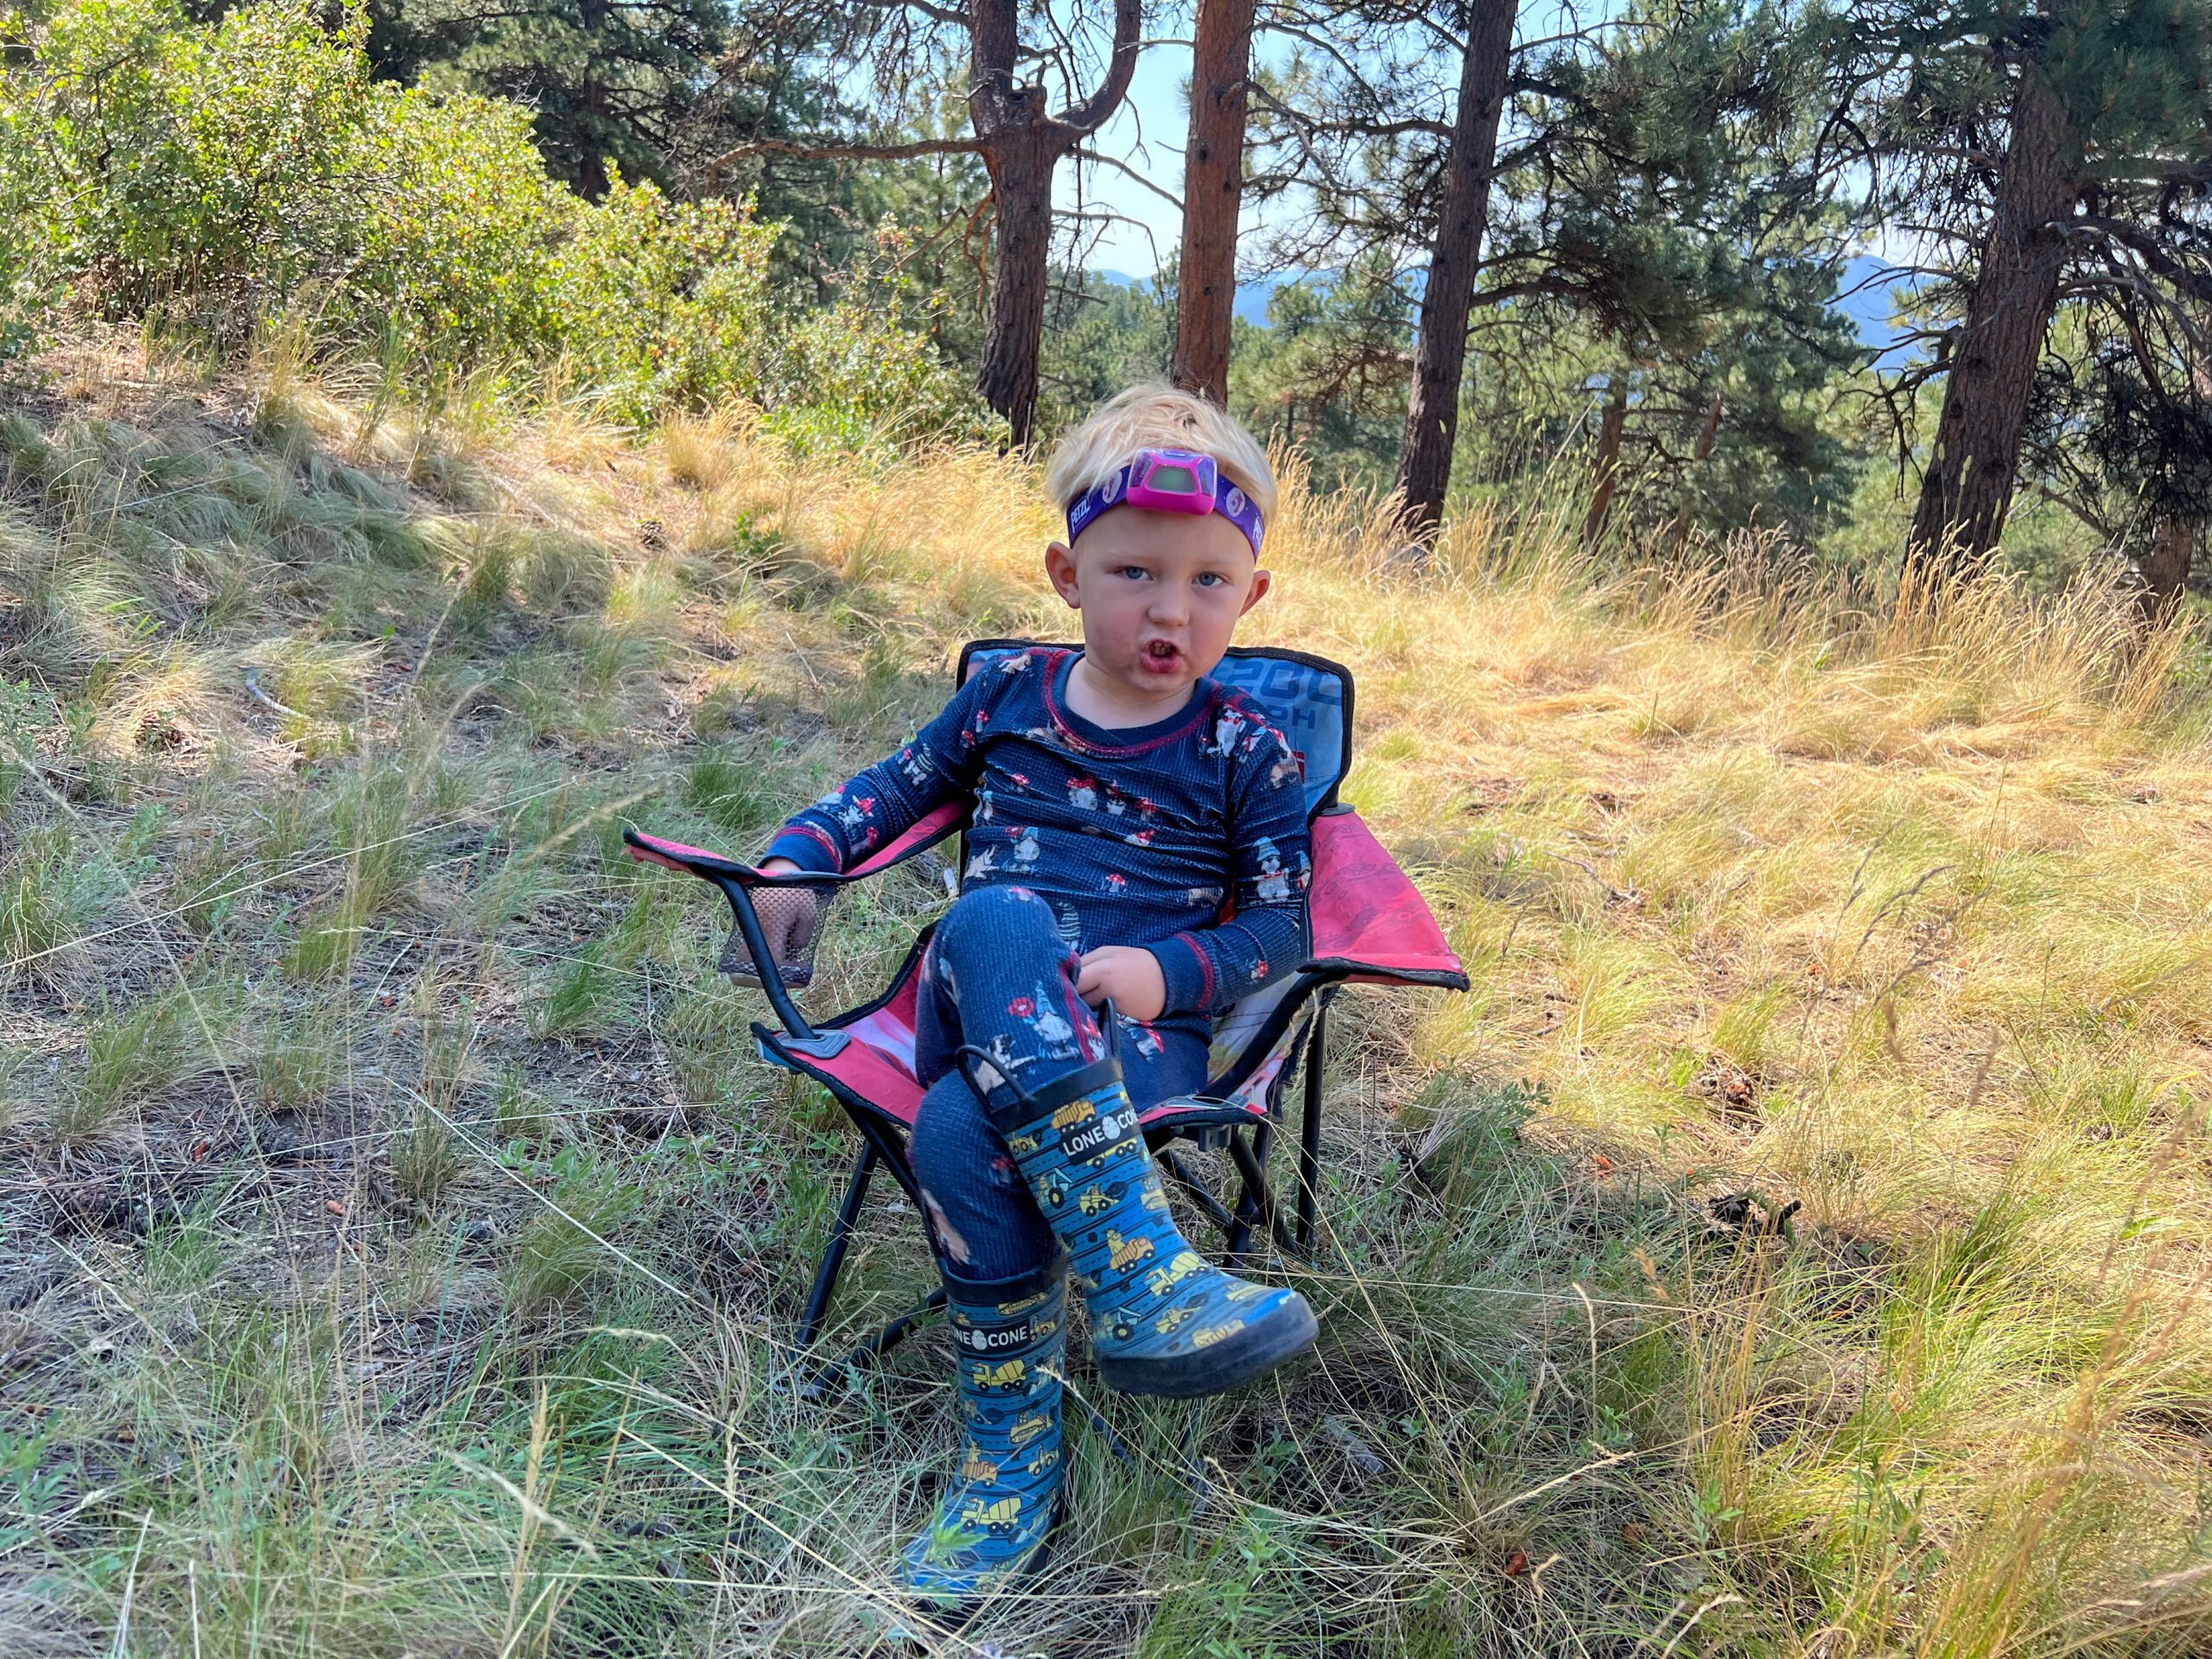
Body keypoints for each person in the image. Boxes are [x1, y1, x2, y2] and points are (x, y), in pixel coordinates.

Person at [757, 384, 1319, 1604]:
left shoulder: (1246, 751)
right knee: (999, 915)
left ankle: (1007, 1455)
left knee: (962, 1126)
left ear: (1253, 593)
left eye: (1208, 582)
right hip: (977, 991)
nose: (1171, 609)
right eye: (1134, 574)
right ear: (1069, 574)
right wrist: (803, 855)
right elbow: (895, 788)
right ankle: (1138, 1275)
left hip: (1140, 1043)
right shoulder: (1010, 696)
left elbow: (1285, 923)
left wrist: (1173, 971)